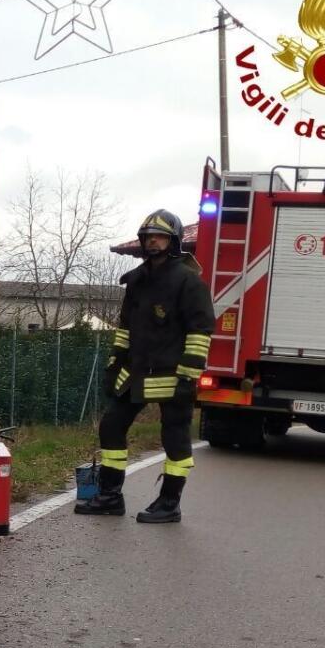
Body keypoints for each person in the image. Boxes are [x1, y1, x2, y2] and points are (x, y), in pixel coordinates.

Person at [75, 209, 215, 523]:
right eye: (149, 236)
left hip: (171, 374)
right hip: (135, 372)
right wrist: (114, 364)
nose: (153, 241)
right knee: (111, 426)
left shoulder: (189, 283)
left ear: (174, 241)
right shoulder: (137, 281)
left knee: (175, 437)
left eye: (160, 236)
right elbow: (125, 328)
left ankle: (169, 503)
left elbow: (200, 331)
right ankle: (110, 496)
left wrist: (187, 377)